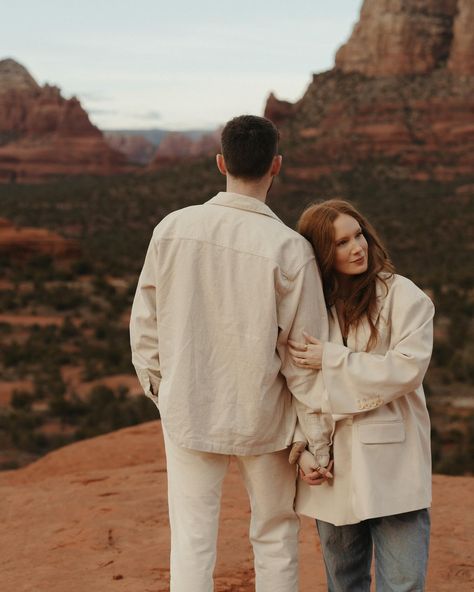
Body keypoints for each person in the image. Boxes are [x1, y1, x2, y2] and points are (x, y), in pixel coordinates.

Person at [129, 115, 331, 592]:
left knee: (192, 538)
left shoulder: (173, 228)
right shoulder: (290, 248)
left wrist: (164, 389)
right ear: (275, 166)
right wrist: (315, 436)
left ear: (221, 162)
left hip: (188, 410)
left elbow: (145, 322)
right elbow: (305, 355)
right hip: (266, 416)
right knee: (275, 533)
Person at [288, 199, 434, 592]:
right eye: (340, 242)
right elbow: (296, 385)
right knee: (344, 583)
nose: (357, 248)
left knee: (403, 584)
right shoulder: (311, 307)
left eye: (359, 235)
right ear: (321, 253)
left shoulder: (404, 296)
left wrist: (332, 359)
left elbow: (406, 369)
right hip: (331, 470)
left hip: (393, 464)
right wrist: (301, 448)